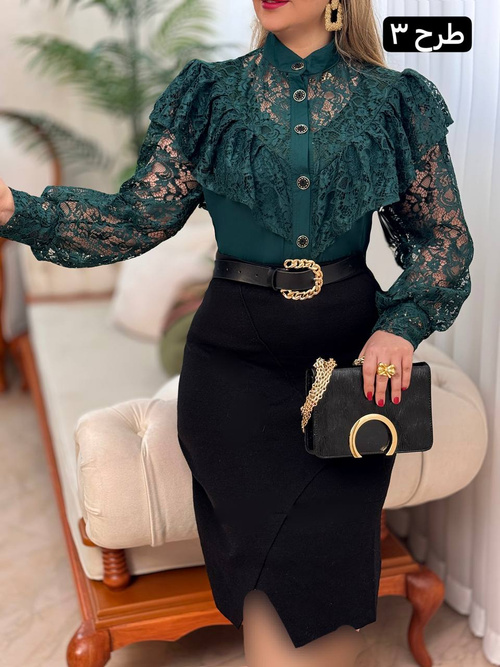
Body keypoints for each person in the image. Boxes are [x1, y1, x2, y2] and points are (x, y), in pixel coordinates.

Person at [0, 0, 474, 665]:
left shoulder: (397, 103)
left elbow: (444, 241)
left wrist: (400, 325)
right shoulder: (207, 96)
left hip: (347, 367)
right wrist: (15, 209)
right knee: (266, 572)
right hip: (232, 369)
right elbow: (137, 219)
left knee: (328, 564)